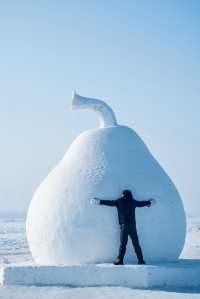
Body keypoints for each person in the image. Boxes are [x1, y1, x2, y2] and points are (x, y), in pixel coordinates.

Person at [90, 190, 156, 265]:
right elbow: (141, 204)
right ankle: (141, 260)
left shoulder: (119, 201)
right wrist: (150, 202)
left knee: (123, 244)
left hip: (124, 226)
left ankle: (120, 260)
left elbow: (109, 203)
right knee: (136, 244)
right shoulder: (133, 202)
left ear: (122, 195)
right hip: (132, 226)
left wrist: (98, 202)